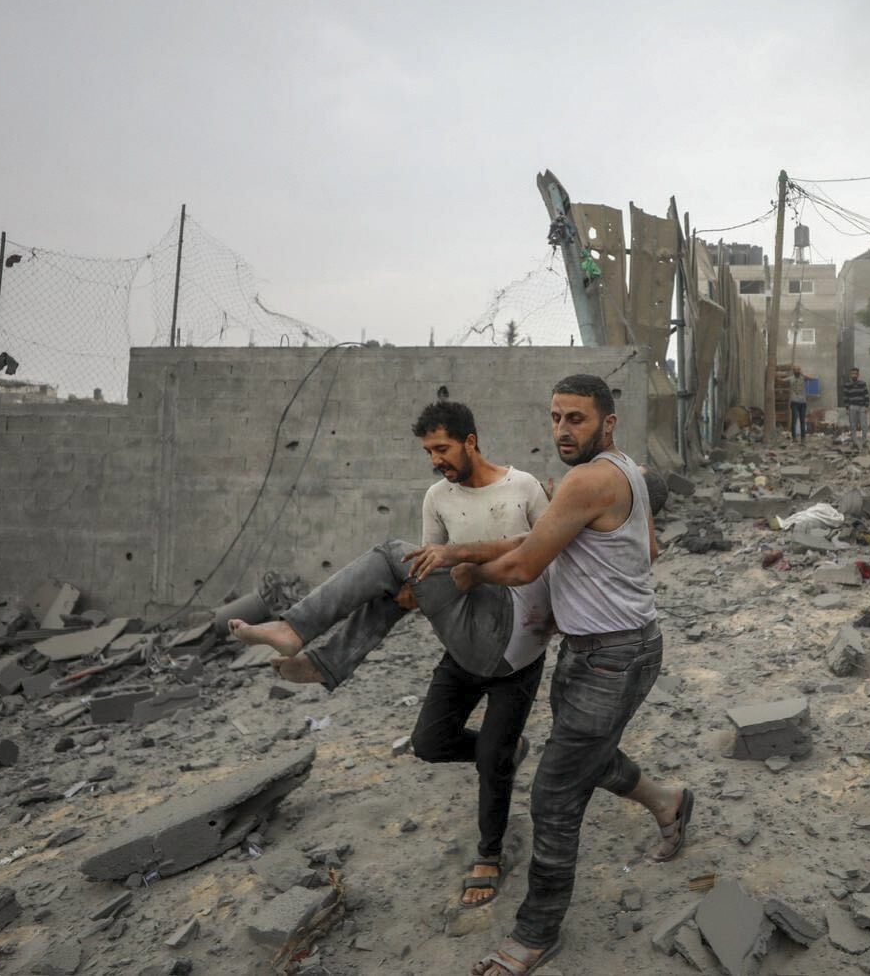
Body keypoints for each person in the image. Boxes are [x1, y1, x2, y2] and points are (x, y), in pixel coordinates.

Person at [230, 401, 551, 909]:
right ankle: (319, 655)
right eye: (428, 452)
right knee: (429, 741)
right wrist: (412, 591)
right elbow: (425, 573)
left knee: (388, 556)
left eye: (442, 449)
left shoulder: (523, 487)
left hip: (514, 629)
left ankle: (489, 854)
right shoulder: (437, 498)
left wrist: (458, 558)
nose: (435, 460)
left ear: (470, 441)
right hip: (465, 639)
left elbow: (545, 549)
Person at [460, 374, 691, 976]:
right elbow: (647, 550)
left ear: (607, 423)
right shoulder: (627, 470)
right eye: (556, 417)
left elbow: (523, 565)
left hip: (611, 656)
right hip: (603, 650)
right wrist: (465, 552)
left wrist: (466, 576)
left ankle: (536, 932)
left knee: (554, 796)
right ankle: (668, 802)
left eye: (576, 419)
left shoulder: (587, 480)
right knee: (588, 758)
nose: (562, 429)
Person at [843, 366, 870, 448]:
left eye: (856, 374)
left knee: (864, 425)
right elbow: (846, 397)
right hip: (852, 407)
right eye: (852, 373)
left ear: (858, 375)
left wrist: (866, 406)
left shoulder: (862, 384)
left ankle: (864, 441)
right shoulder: (847, 385)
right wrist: (847, 408)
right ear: (850, 375)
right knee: (853, 425)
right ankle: (854, 442)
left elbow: (866, 395)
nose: (854, 375)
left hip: (862, 407)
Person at [788, 366, 808, 442]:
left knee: (802, 421)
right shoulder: (791, 378)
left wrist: (803, 374)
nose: (797, 371)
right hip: (794, 403)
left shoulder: (803, 378)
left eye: (798, 370)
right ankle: (794, 438)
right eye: (795, 370)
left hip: (803, 403)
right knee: (794, 420)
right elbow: (782, 380)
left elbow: (813, 379)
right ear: (793, 371)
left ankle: (803, 438)